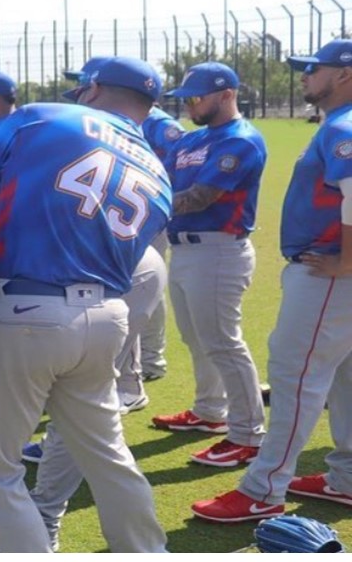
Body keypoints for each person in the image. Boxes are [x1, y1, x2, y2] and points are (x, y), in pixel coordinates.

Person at [0, 56, 171, 552]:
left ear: (93, 89)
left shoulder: (44, 116)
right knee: (107, 456)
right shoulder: (158, 168)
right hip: (106, 315)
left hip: (23, 308)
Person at [192, 39, 352, 523]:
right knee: (343, 377)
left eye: (314, 68)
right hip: (331, 271)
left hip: (329, 273)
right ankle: (347, 477)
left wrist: (347, 261)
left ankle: (263, 489)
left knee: (295, 375)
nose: (305, 76)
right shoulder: (337, 123)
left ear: (344, 74)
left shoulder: (344, 125)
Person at [150, 62, 268, 468]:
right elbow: (162, 182)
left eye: (197, 98)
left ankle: (248, 434)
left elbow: (201, 197)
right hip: (185, 249)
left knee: (223, 342)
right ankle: (210, 411)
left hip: (218, 250)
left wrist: (146, 203)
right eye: (186, 99)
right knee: (197, 339)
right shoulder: (192, 139)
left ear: (226, 95)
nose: (190, 106)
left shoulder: (241, 139)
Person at [137, 97, 185, 381]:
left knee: (146, 283)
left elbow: (184, 167)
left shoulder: (160, 125)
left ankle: (151, 359)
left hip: (151, 215)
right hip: (126, 214)